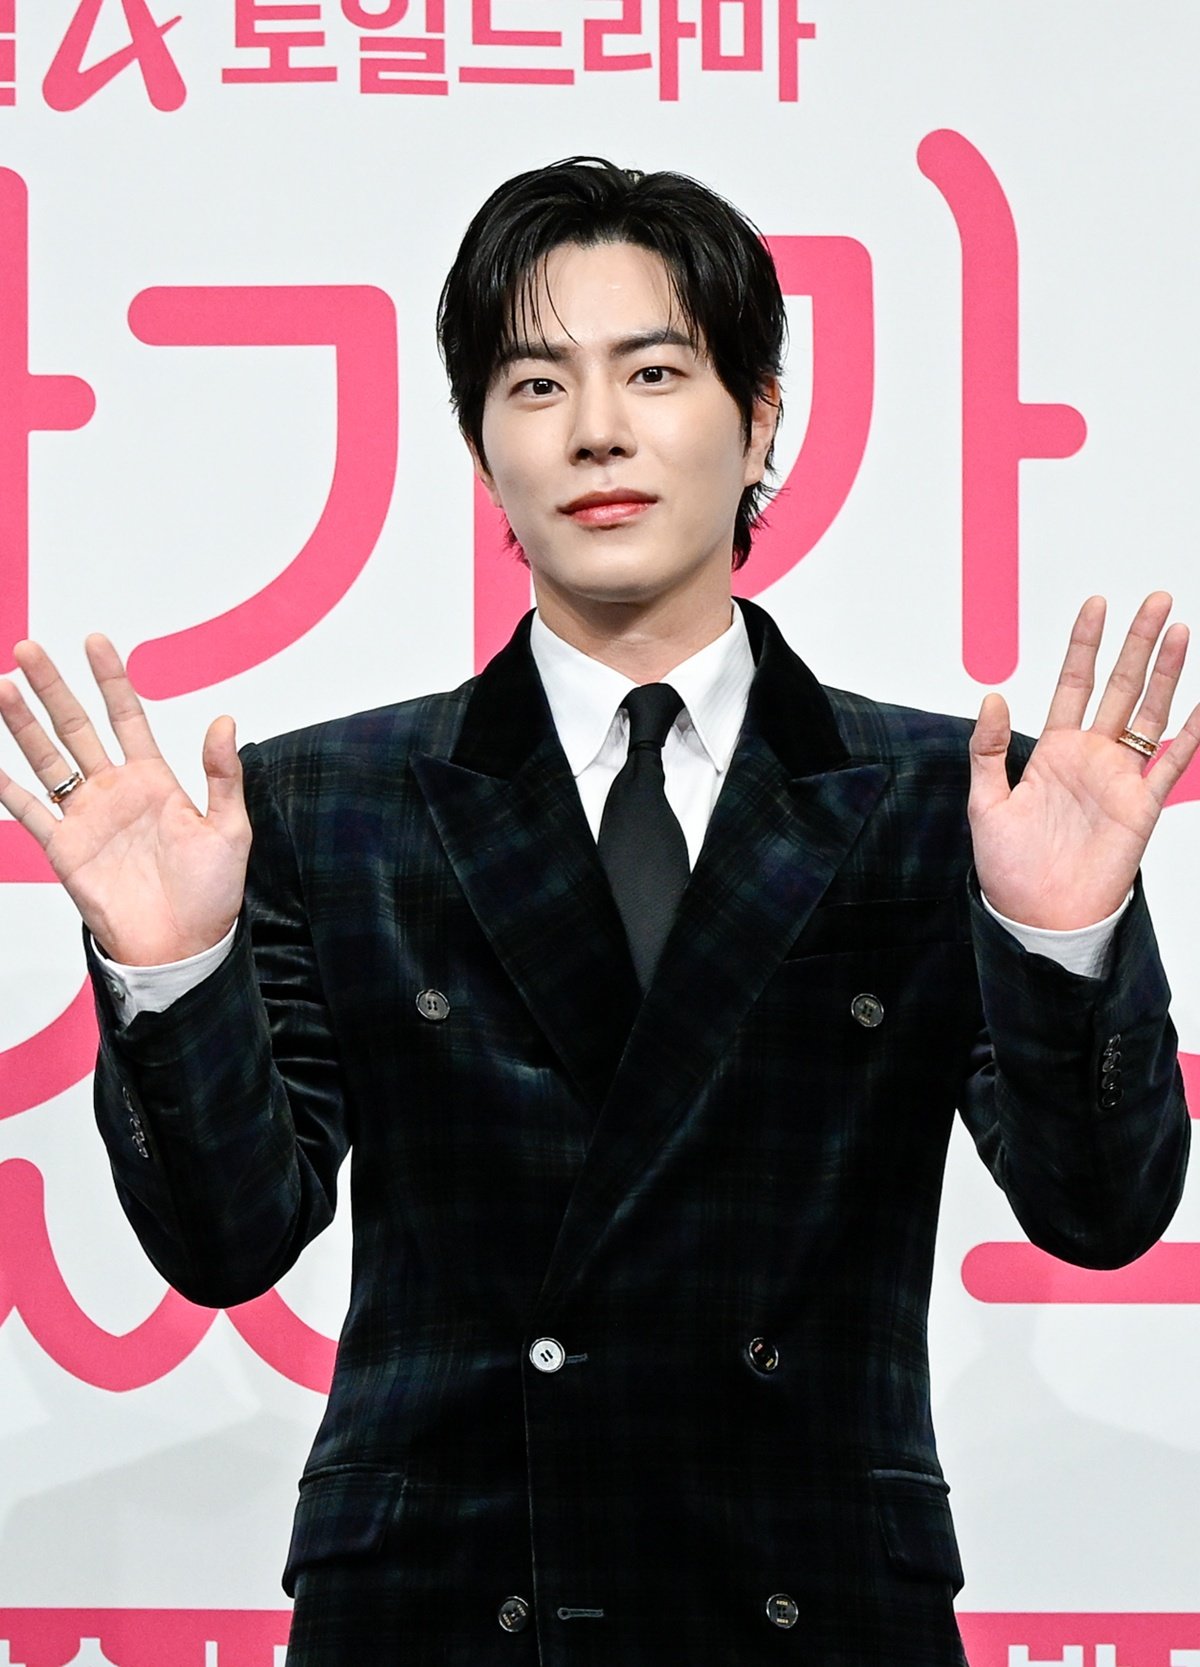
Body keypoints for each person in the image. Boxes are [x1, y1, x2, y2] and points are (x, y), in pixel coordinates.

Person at [0, 157, 1193, 1666]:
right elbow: (227, 1243)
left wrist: (1062, 941)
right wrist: (174, 971)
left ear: (760, 417)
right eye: (536, 384)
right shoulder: (328, 804)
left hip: (810, 1604)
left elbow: (1102, 1214)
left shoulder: (938, 800)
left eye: (655, 371)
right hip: (448, 1609)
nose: (597, 431)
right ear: (481, 445)